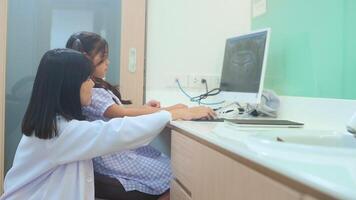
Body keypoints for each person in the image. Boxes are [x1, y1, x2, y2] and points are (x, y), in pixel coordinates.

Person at [0, 49, 215, 200]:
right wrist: (173, 114)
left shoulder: (55, 126)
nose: (92, 84)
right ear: (70, 86)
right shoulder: (58, 133)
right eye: (87, 79)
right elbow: (116, 132)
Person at [66, 31, 215, 200]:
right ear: (86, 59)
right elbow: (122, 114)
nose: (108, 62)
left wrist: (154, 109)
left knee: (174, 172)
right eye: (103, 58)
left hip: (120, 152)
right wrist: (173, 111)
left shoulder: (96, 86)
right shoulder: (91, 91)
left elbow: (120, 111)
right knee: (174, 175)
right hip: (114, 158)